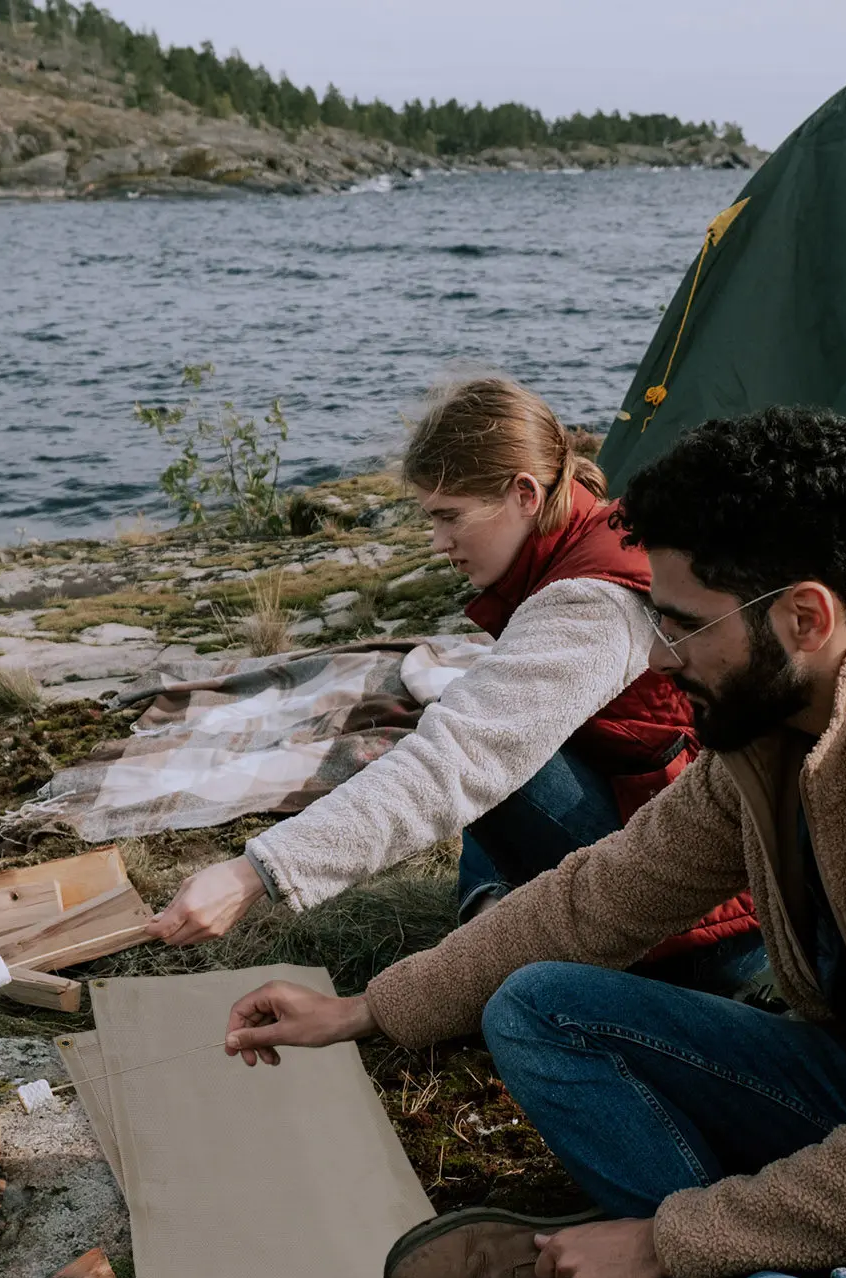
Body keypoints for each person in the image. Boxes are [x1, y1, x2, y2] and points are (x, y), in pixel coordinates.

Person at [218, 406, 846, 1278]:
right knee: (538, 1006)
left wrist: (659, 1242)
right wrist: (367, 1009)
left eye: (680, 622)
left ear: (803, 614)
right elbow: (598, 895)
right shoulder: (775, 721)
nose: (662, 651)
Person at [149, 376, 761, 992]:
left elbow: (458, 760)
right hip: (679, 839)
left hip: (706, 928)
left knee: (474, 745)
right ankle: (496, 917)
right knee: (482, 719)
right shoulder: (592, 536)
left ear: (525, 492)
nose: (440, 543)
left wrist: (252, 874)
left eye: (450, 517)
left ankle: (513, 940)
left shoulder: (592, 600)